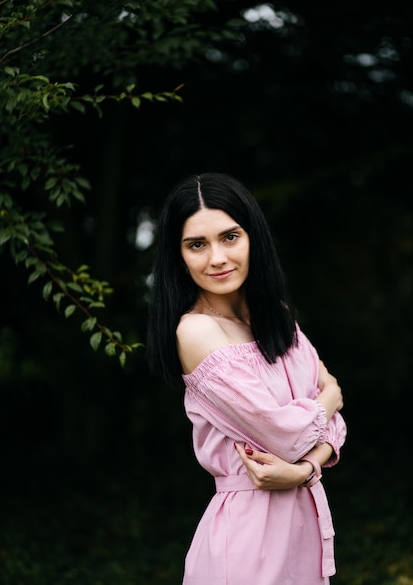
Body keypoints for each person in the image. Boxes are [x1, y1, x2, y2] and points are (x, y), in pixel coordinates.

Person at [147, 172, 346, 585]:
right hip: (246, 538)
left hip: (303, 526)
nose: (217, 257)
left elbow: (331, 429)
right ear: (178, 255)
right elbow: (286, 434)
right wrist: (329, 398)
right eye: (197, 245)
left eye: (230, 237)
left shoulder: (276, 314)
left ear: (252, 236)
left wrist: (303, 470)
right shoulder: (197, 331)